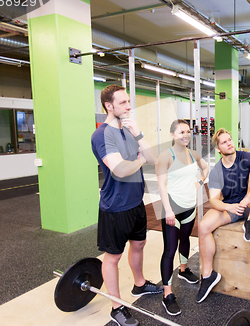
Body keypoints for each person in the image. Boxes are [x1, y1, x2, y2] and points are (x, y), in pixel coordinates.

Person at [91, 84, 163, 326]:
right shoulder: (101, 135)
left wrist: (140, 135)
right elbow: (120, 170)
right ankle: (116, 306)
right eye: (123, 103)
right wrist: (141, 157)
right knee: (112, 256)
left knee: (139, 244)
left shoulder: (130, 130)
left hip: (135, 202)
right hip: (115, 206)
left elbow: (154, 159)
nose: (129, 106)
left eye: (129, 101)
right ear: (108, 106)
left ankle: (139, 285)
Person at [196, 128, 250, 303]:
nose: (229, 143)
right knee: (203, 226)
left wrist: (246, 199)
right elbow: (214, 201)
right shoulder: (216, 171)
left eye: (230, 140)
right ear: (218, 149)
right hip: (234, 208)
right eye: (224, 142)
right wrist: (230, 206)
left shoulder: (245, 157)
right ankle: (208, 276)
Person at [155, 119, 209, 316]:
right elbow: (161, 186)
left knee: (185, 239)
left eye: (187, 132)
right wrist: (168, 210)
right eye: (180, 132)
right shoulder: (165, 156)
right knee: (169, 249)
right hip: (172, 208)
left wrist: (200, 182)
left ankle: (184, 269)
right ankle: (167, 294)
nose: (185, 135)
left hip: (189, 206)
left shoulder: (193, 154)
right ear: (172, 135)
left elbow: (206, 169)